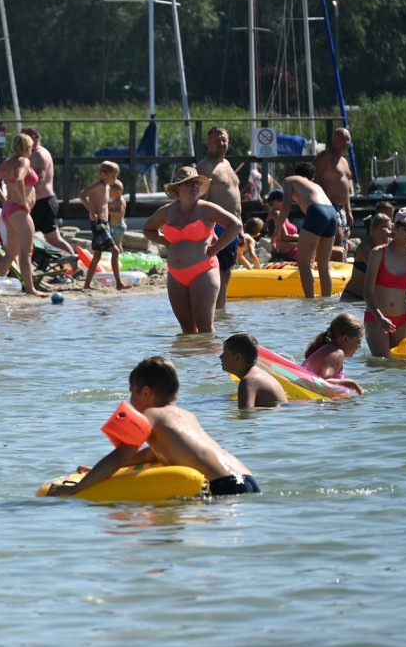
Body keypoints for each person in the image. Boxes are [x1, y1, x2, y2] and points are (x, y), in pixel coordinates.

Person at [45, 357, 260, 498]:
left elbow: (119, 456)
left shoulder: (151, 415)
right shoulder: (185, 416)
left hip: (224, 486)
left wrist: (74, 489)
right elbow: (153, 453)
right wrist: (98, 470)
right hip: (246, 478)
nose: (130, 399)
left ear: (145, 392)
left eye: (132, 392)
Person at [142, 166, 243, 334]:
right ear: (178, 188)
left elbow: (236, 225)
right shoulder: (167, 211)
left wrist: (214, 249)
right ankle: (189, 360)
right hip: (175, 274)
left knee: (205, 328)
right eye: (189, 183)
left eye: (197, 183)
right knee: (187, 329)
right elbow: (148, 229)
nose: (194, 186)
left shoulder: (206, 208)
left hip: (203, 271)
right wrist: (165, 242)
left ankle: (209, 359)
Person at [0, 133, 49, 297]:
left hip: (8, 209)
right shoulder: (24, 161)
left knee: (11, 252)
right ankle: (30, 289)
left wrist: (5, 200)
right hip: (19, 211)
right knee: (26, 253)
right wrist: (23, 202)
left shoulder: (8, 162)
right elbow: (19, 178)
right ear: (28, 148)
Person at [272, 162, 338, 298]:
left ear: (296, 174)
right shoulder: (316, 186)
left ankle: (310, 303)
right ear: (312, 178)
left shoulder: (289, 180)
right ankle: (328, 301)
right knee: (323, 265)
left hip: (317, 212)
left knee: (303, 263)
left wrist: (277, 230)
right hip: (332, 213)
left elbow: (286, 206)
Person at [197, 127, 243, 310]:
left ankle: (221, 312)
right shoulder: (204, 167)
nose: (221, 144)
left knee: (226, 272)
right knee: (212, 271)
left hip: (233, 227)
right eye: (216, 141)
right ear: (208, 143)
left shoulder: (228, 165)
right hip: (217, 227)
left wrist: (242, 230)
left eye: (223, 140)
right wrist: (207, 232)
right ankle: (208, 313)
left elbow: (235, 198)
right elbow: (201, 202)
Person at [363, 206, 406, 357]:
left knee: (403, 366)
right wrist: (380, 318)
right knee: (383, 364)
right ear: (396, 227)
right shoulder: (378, 253)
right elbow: (367, 292)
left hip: (404, 319)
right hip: (376, 317)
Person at [23, 126, 76, 257]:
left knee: (54, 240)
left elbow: (39, 178)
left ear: (33, 138)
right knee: (25, 235)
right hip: (36, 202)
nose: (21, 140)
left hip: (43, 203)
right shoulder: (34, 154)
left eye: (24, 137)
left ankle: (75, 263)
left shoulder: (40, 154)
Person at [78, 160, 124, 290]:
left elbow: (103, 203)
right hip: (98, 223)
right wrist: (91, 211)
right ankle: (119, 283)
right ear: (103, 174)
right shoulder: (98, 186)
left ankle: (87, 284)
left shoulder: (108, 187)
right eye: (113, 176)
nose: (115, 179)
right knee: (115, 251)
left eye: (116, 176)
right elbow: (82, 195)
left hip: (104, 223)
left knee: (96, 256)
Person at [314, 127, 354, 254]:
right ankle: (327, 269)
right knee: (337, 238)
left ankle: (340, 268)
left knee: (344, 240)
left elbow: (346, 189)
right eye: (341, 138)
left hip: (341, 208)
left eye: (347, 139)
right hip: (327, 206)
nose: (345, 142)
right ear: (333, 139)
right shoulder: (325, 157)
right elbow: (310, 179)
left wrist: (349, 211)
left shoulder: (344, 161)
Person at [219, 333, 288, 408]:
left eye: (225, 352)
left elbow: (246, 415)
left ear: (238, 357)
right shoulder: (258, 374)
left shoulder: (249, 381)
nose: (220, 357)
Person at [301, 313, 365, 394]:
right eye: (358, 341)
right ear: (345, 339)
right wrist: (351, 383)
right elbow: (322, 382)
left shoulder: (326, 347)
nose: (360, 346)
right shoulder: (337, 353)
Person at [341, 213, 392, 302]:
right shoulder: (364, 247)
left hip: (369, 302)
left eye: (390, 229)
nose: (387, 233)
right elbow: (381, 270)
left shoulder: (389, 246)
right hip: (352, 299)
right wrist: (385, 242)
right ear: (372, 229)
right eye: (384, 229)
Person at [264, 189, 299, 262]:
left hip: (293, 249)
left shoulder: (281, 215)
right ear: (275, 202)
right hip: (290, 252)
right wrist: (306, 237)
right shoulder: (276, 214)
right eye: (284, 200)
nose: (287, 203)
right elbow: (284, 236)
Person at [109, 178, 127, 250]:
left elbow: (119, 212)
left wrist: (109, 212)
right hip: (116, 225)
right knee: (117, 243)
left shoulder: (120, 201)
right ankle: (118, 256)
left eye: (111, 194)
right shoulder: (115, 201)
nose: (110, 196)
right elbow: (108, 207)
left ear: (118, 193)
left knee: (117, 244)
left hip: (119, 225)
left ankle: (118, 258)